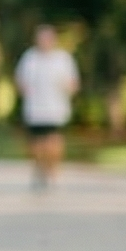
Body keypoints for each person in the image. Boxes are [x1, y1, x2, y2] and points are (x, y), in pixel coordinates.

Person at [14, 24, 80, 187]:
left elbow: (73, 83)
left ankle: (52, 170)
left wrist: (68, 89)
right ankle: (40, 168)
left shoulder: (63, 59)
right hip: (35, 110)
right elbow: (20, 81)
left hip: (56, 110)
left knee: (53, 142)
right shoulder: (30, 58)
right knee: (36, 144)